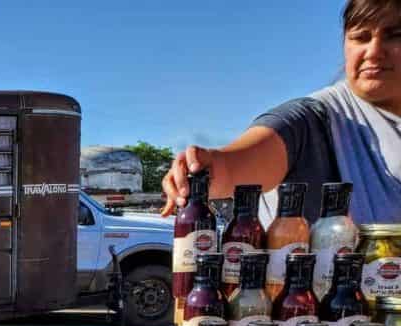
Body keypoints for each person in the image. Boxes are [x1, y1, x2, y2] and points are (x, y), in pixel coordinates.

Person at [162, 0, 401, 224]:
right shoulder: (311, 120)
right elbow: (240, 162)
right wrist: (208, 168)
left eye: (394, 36)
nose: (373, 52)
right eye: (360, 38)